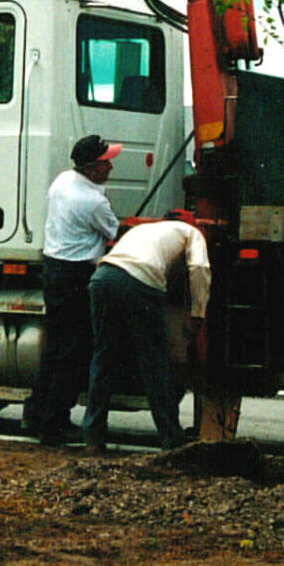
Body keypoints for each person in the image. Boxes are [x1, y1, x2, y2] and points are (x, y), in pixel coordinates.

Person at [83, 213, 211, 452]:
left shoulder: (144, 230)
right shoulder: (191, 233)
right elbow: (199, 267)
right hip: (139, 283)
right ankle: (172, 441)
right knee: (154, 363)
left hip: (102, 279)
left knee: (103, 359)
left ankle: (93, 437)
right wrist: (198, 313)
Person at [24, 133, 120, 446]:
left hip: (54, 269)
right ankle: (53, 424)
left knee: (55, 347)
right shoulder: (92, 202)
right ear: (92, 168)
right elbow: (114, 231)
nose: (111, 168)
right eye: (107, 163)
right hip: (76, 275)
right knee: (72, 352)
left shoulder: (64, 180)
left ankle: (35, 413)